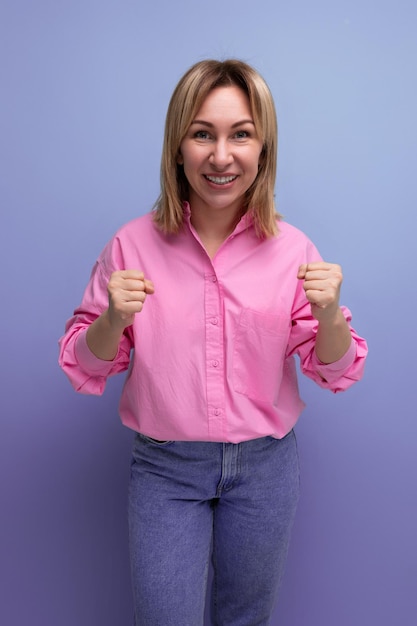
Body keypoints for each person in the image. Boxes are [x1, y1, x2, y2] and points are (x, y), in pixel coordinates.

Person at [59, 59, 367, 626]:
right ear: (178, 147)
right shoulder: (130, 246)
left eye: (240, 135)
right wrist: (111, 318)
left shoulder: (294, 249)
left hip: (267, 468)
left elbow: (335, 371)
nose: (221, 156)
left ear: (263, 150)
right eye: (202, 133)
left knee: (245, 619)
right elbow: (86, 366)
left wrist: (330, 317)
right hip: (165, 470)